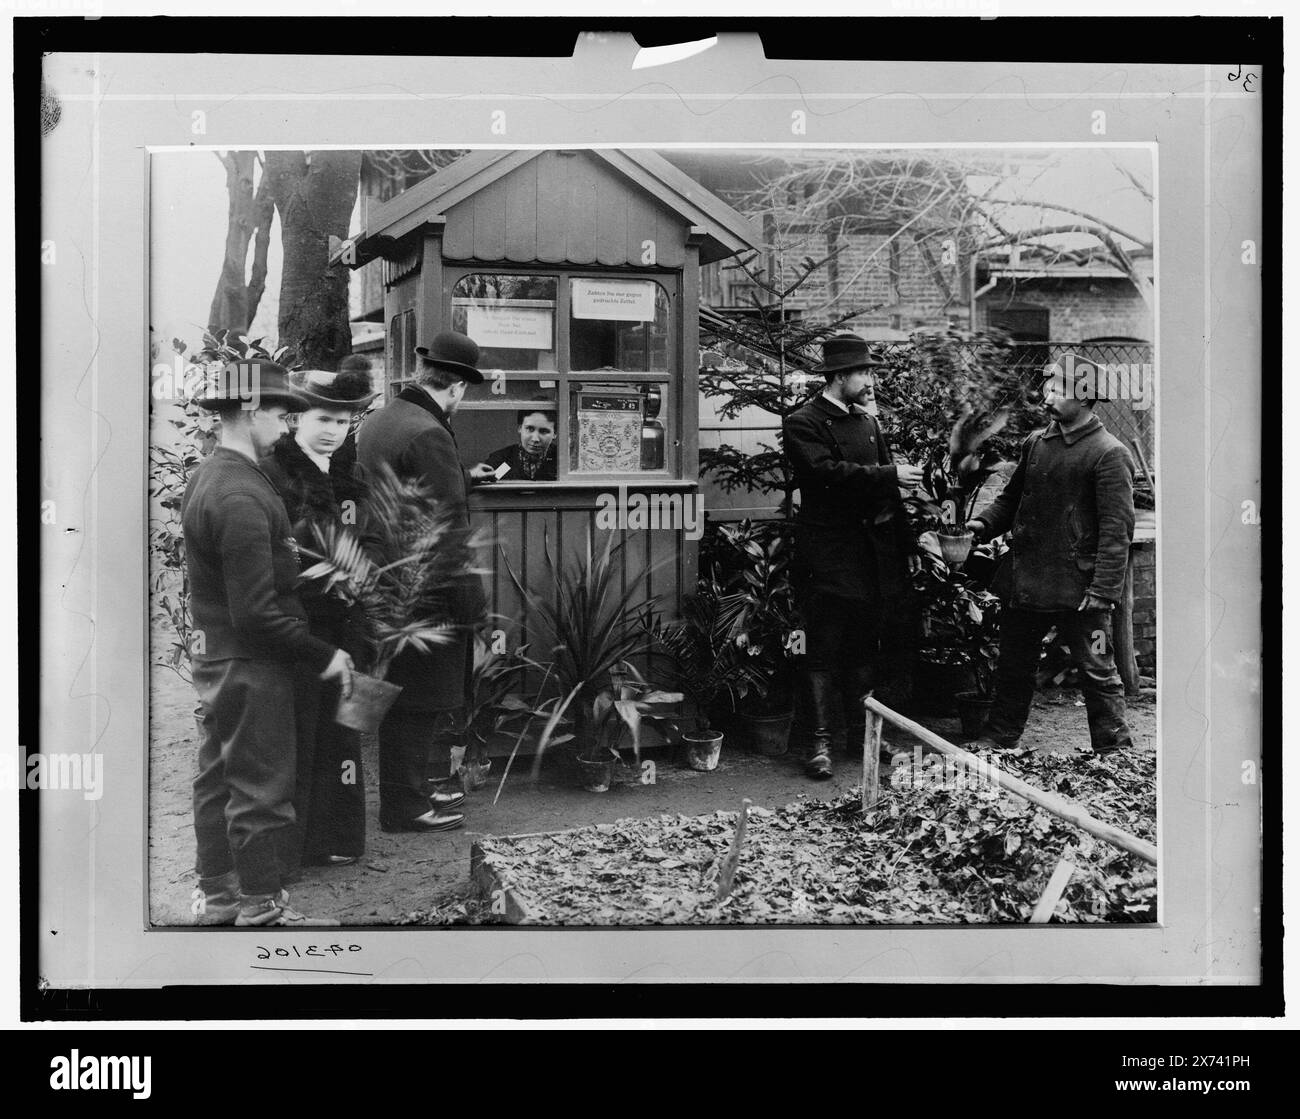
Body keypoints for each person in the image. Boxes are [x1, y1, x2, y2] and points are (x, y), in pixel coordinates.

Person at [182, 360, 354, 926]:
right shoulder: (242, 493)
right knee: (262, 786)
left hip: (218, 657)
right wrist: (324, 654)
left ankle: (218, 895)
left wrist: (304, 564)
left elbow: (243, 571)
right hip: (254, 662)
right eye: (282, 415)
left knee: (217, 777)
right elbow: (256, 612)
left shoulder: (213, 476)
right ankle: (261, 904)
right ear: (252, 411)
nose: (286, 427)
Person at [355, 331, 493, 832]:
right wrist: (474, 605)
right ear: (456, 387)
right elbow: (447, 525)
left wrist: (464, 475)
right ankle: (406, 807)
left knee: (401, 695)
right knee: (420, 701)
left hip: (384, 580)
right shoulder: (431, 432)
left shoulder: (381, 421)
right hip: (427, 590)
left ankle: (410, 791)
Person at [964, 353, 1136, 756]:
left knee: (1097, 670)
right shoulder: (1036, 443)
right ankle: (999, 736)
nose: (1047, 396)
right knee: (1013, 664)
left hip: (1081, 593)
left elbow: (1117, 531)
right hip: (1026, 583)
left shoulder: (1109, 453)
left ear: (1086, 398)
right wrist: (982, 526)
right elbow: (1009, 500)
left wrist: (1103, 591)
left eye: (1058, 389)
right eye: (1049, 386)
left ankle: (1114, 753)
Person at [258, 365, 385, 875]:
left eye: (344, 421)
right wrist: (329, 571)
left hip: (351, 616)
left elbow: (374, 536)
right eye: (323, 418)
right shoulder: (278, 472)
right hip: (304, 619)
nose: (333, 429)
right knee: (305, 730)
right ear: (297, 418)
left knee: (347, 728)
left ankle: (340, 836)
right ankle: (304, 843)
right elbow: (283, 545)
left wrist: (363, 569)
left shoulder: (350, 475)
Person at [783, 334, 925, 779]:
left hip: (872, 557)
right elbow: (826, 475)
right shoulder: (803, 422)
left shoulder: (867, 423)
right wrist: (889, 473)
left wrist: (907, 545)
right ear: (840, 376)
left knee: (865, 648)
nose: (870, 381)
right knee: (822, 649)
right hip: (828, 555)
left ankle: (865, 739)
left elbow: (889, 495)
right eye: (863, 373)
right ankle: (819, 744)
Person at [483, 406, 558, 481]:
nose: (535, 439)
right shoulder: (500, 459)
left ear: (555, 434)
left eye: (544, 431)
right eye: (529, 429)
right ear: (519, 428)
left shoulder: (563, 461)